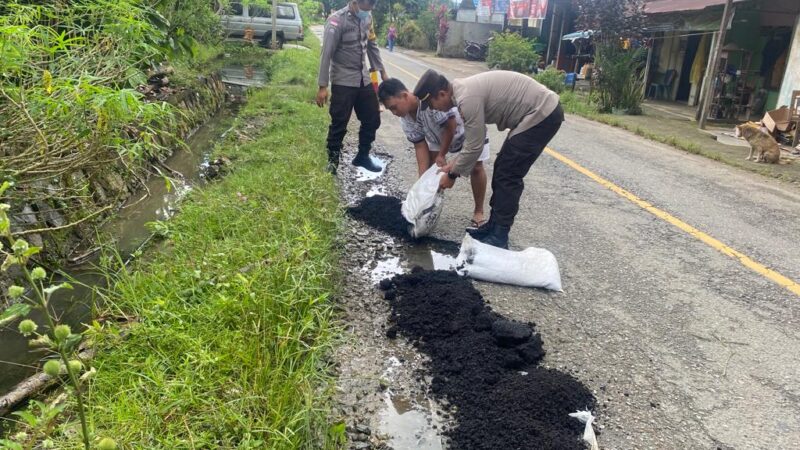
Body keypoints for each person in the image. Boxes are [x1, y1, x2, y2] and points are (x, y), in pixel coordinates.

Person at [413, 69, 564, 249]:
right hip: (535, 113)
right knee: (502, 167)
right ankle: (493, 226)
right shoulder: (461, 92)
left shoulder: (466, 99)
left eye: (431, 104)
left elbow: (475, 146)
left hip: (542, 113)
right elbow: (473, 140)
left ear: (442, 94)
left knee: (509, 173)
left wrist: (452, 175)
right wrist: (454, 164)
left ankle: (499, 235)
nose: (432, 109)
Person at [378, 78, 489, 227]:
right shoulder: (405, 119)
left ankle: (479, 211)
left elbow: (450, 126)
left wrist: (443, 156)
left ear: (404, 96)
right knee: (433, 170)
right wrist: (421, 184)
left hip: (467, 132)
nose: (393, 112)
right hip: (438, 138)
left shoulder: (428, 101)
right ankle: (426, 207)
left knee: (476, 167)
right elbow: (420, 146)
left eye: (394, 107)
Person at [317, 0, 388, 174]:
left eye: (370, 8)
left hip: (363, 78)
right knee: (339, 122)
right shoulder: (336, 21)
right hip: (343, 79)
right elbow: (326, 54)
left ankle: (363, 156)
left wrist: (383, 73)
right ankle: (333, 162)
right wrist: (323, 86)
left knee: (372, 118)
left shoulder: (367, 18)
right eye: (365, 8)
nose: (368, 11)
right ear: (355, 2)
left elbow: (372, 45)